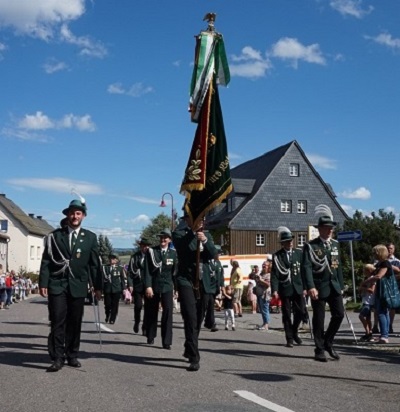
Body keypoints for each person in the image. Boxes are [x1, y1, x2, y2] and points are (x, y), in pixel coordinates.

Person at [39, 198, 102, 372]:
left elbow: (94, 264)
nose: (74, 216)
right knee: (58, 321)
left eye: (78, 213)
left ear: (83, 216)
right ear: (67, 215)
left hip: (78, 285)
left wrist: (97, 287)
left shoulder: (90, 238)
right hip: (57, 284)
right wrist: (43, 282)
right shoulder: (55, 236)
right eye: (72, 213)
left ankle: (72, 354)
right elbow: (46, 260)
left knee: (75, 322)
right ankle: (58, 357)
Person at [172, 213, 217, 372]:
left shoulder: (207, 236)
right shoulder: (179, 234)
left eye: (202, 219)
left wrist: (204, 240)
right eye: (196, 218)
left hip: (202, 281)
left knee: (199, 317)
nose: (200, 222)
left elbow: (212, 254)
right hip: (186, 280)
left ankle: (189, 343)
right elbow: (184, 249)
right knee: (190, 317)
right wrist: (194, 235)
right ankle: (194, 357)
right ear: (187, 220)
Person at [302, 204, 344, 362]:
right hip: (318, 286)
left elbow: (337, 266)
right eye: (327, 228)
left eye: (331, 227)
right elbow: (306, 267)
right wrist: (310, 286)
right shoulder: (311, 246)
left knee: (339, 314)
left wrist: (341, 285)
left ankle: (328, 341)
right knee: (319, 318)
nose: (330, 230)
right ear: (320, 229)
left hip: (334, 285)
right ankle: (319, 349)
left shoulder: (335, 245)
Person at [271, 227, 306, 348]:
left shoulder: (299, 253)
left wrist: (306, 287)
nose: (290, 242)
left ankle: (294, 331)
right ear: (283, 243)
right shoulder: (277, 256)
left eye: (291, 240)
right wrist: (274, 289)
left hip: (298, 287)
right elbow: (274, 274)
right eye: (287, 241)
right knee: (286, 314)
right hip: (285, 287)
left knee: (301, 312)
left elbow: (303, 271)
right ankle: (289, 338)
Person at [144, 229, 177, 349]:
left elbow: (175, 272)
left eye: (165, 238)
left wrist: (176, 288)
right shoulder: (152, 251)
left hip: (167, 286)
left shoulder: (173, 253)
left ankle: (166, 341)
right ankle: (150, 335)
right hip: (154, 285)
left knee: (168, 312)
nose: (163, 240)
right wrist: (148, 286)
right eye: (161, 237)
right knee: (152, 311)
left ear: (169, 240)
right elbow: (147, 270)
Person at [127, 238, 151, 334]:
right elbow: (130, 272)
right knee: (138, 306)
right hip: (138, 284)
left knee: (148, 307)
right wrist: (130, 284)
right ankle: (137, 322)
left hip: (148, 286)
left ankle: (145, 326)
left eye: (146, 245)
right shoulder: (135, 257)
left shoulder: (151, 256)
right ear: (140, 246)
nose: (145, 247)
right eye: (143, 245)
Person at [372, 244, 393, 344]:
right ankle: (384, 334)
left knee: (381, 313)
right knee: (385, 313)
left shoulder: (385, 263)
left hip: (383, 292)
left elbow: (379, 276)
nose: (373, 254)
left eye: (375, 252)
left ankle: (384, 336)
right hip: (380, 290)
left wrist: (366, 282)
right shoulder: (380, 263)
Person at [201, 245, 224, 332]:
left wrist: (222, 286)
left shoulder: (218, 263)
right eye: (218, 253)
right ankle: (198, 322)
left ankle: (210, 323)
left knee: (211, 306)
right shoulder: (206, 262)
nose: (219, 255)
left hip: (214, 288)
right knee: (204, 305)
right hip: (206, 287)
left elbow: (221, 276)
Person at [102, 253, 127, 324]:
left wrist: (124, 289)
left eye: (113, 258)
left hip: (116, 289)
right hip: (107, 289)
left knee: (115, 305)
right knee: (107, 304)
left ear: (116, 260)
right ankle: (107, 314)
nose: (111, 260)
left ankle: (112, 318)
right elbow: (101, 279)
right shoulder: (105, 268)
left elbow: (122, 279)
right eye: (110, 258)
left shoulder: (120, 268)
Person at [358, 263, 377, 342]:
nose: (363, 272)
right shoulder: (367, 278)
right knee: (368, 319)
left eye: (364, 270)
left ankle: (368, 332)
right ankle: (369, 334)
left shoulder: (372, 279)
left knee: (361, 316)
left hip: (369, 301)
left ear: (369, 271)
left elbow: (372, 290)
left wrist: (363, 287)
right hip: (365, 300)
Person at [254, 258, 272, 330]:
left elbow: (267, 284)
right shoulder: (261, 274)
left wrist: (261, 280)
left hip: (265, 294)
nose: (263, 266)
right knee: (261, 309)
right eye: (263, 265)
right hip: (259, 293)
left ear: (268, 266)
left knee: (265, 309)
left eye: (265, 265)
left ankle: (266, 325)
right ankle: (264, 323)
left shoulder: (269, 275)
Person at [386, 242, 400, 334]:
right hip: (382, 287)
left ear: (394, 249)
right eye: (388, 248)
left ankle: (390, 325)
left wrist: (391, 278)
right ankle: (378, 325)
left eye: (391, 248)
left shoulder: (397, 261)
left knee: (392, 307)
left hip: (394, 287)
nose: (389, 250)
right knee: (381, 307)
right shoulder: (380, 260)